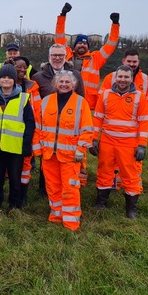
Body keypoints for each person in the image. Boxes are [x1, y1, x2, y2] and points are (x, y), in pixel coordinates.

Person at [90, 65, 148, 219]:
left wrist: (142, 145)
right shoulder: (105, 95)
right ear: (114, 78)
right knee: (104, 171)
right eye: (120, 77)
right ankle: (101, 203)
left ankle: (131, 210)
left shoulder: (139, 96)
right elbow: (97, 117)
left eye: (126, 77)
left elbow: (144, 122)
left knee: (130, 175)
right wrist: (94, 139)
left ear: (131, 79)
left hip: (128, 144)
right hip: (107, 141)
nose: (122, 80)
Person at [35, 70, 92, 231]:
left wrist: (81, 148)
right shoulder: (45, 102)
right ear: (55, 84)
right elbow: (38, 128)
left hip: (70, 156)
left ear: (73, 84)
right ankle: (56, 215)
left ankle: (71, 221)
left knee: (70, 188)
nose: (64, 84)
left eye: (68, 82)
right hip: (48, 154)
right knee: (53, 186)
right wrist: (37, 149)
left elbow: (87, 129)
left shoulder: (81, 103)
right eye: (61, 82)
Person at [54, 2, 120, 110]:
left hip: (87, 103)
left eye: (85, 44)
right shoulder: (66, 54)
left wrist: (115, 24)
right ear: (75, 45)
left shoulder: (96, 58)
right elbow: (59, 36)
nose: (82, 45)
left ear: (88, 47)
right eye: (79, 43)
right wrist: (63, 15)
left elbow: (111, 44)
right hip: (65, 98)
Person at [0, 64, 35, 212]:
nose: (6, 80)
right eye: (3, 77)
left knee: (15, 180)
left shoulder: (24, 99)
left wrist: (27, 145)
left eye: (10, 77)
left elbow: (30, 123)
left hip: (16, 148)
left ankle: (14, 206)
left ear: (15, 80)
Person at [13, 56, 41, 204]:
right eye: (19, 67)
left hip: (28, 131)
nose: (22, 70)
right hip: (11, 133)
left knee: (26, 165)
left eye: (25, 67)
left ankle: (23, 196)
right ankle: (13, 193)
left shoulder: (32, 87)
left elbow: (37, 112)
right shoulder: (4, 85)